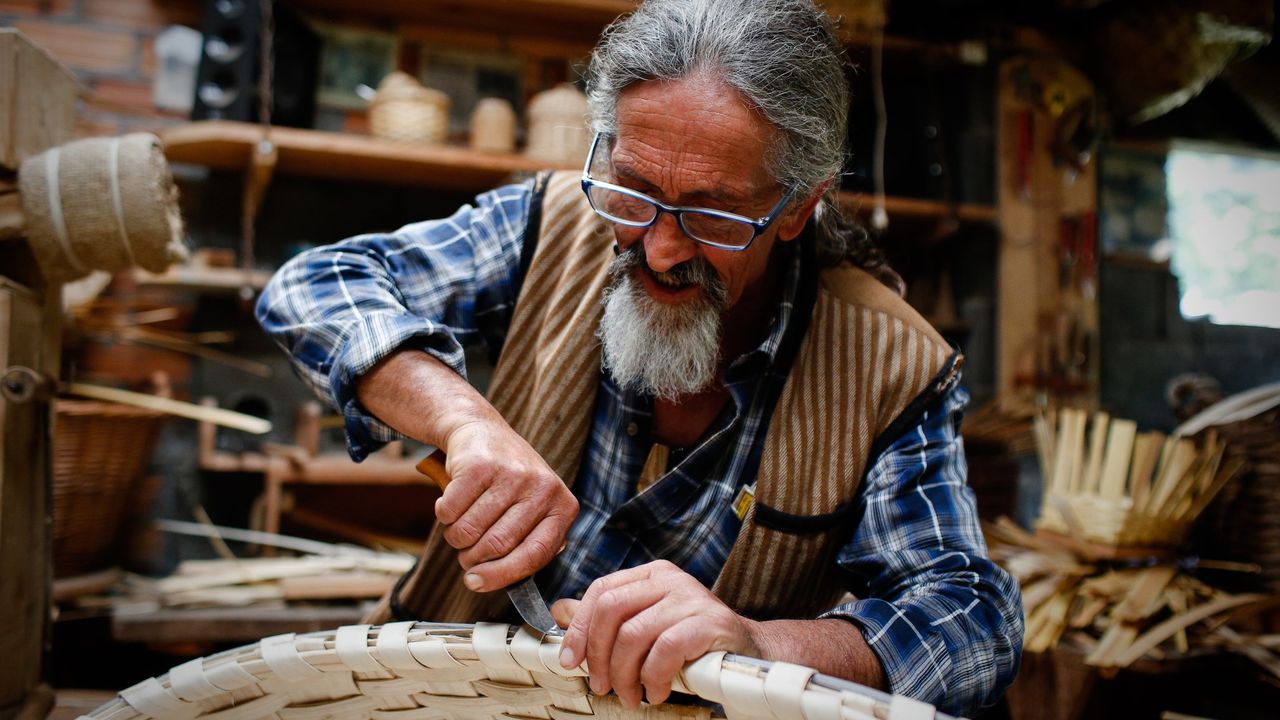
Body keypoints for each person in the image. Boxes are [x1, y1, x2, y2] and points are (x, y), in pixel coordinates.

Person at [256, 0, 1023, 715]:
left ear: (795, 206)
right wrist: (465, 422)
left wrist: (766, 646)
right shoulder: (549, 226)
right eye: (633, 191)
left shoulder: (889, 363)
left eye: (714, 214)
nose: (660, 248)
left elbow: (971, 619)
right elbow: (314, 287)